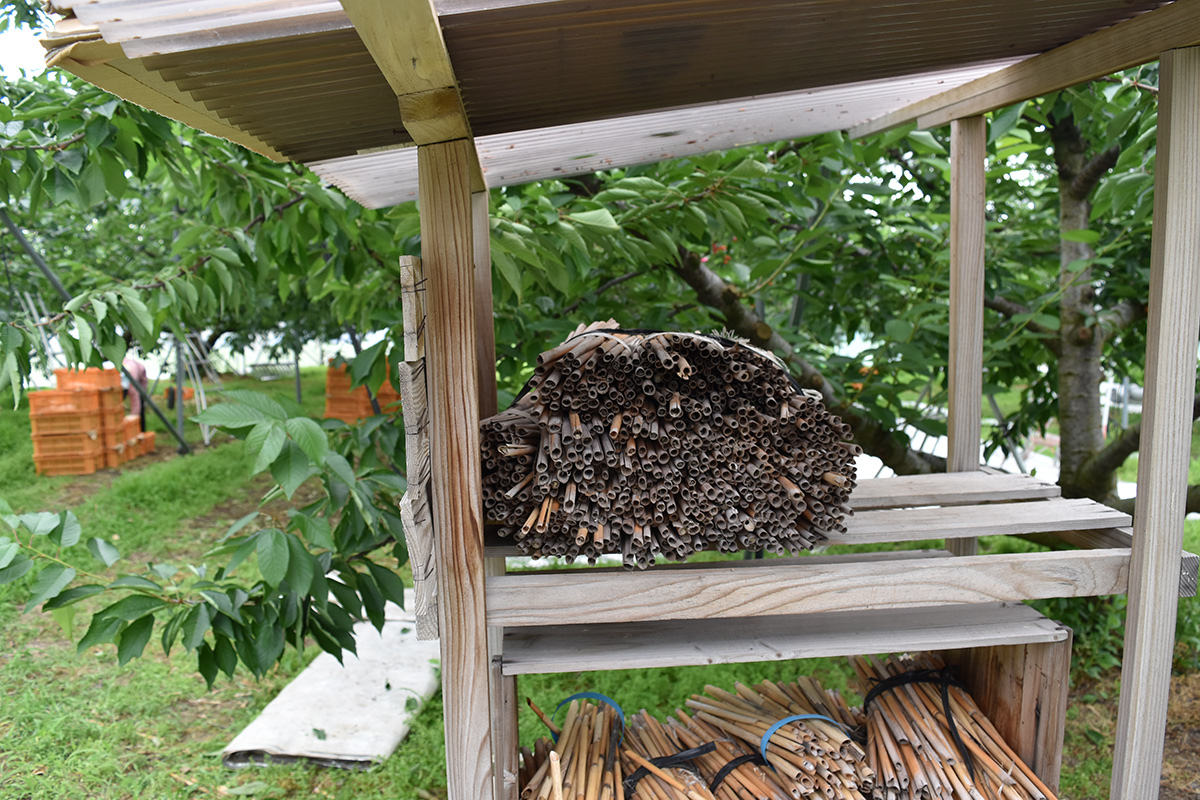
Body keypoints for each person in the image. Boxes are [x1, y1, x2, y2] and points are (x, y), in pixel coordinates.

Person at [122, 356, 149, 432]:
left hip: (140, 377)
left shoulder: (131, 387)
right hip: (128, 366)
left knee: (140, 404)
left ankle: (141, 431)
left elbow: (136, 406)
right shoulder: (119, 380)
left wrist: (131, 420)